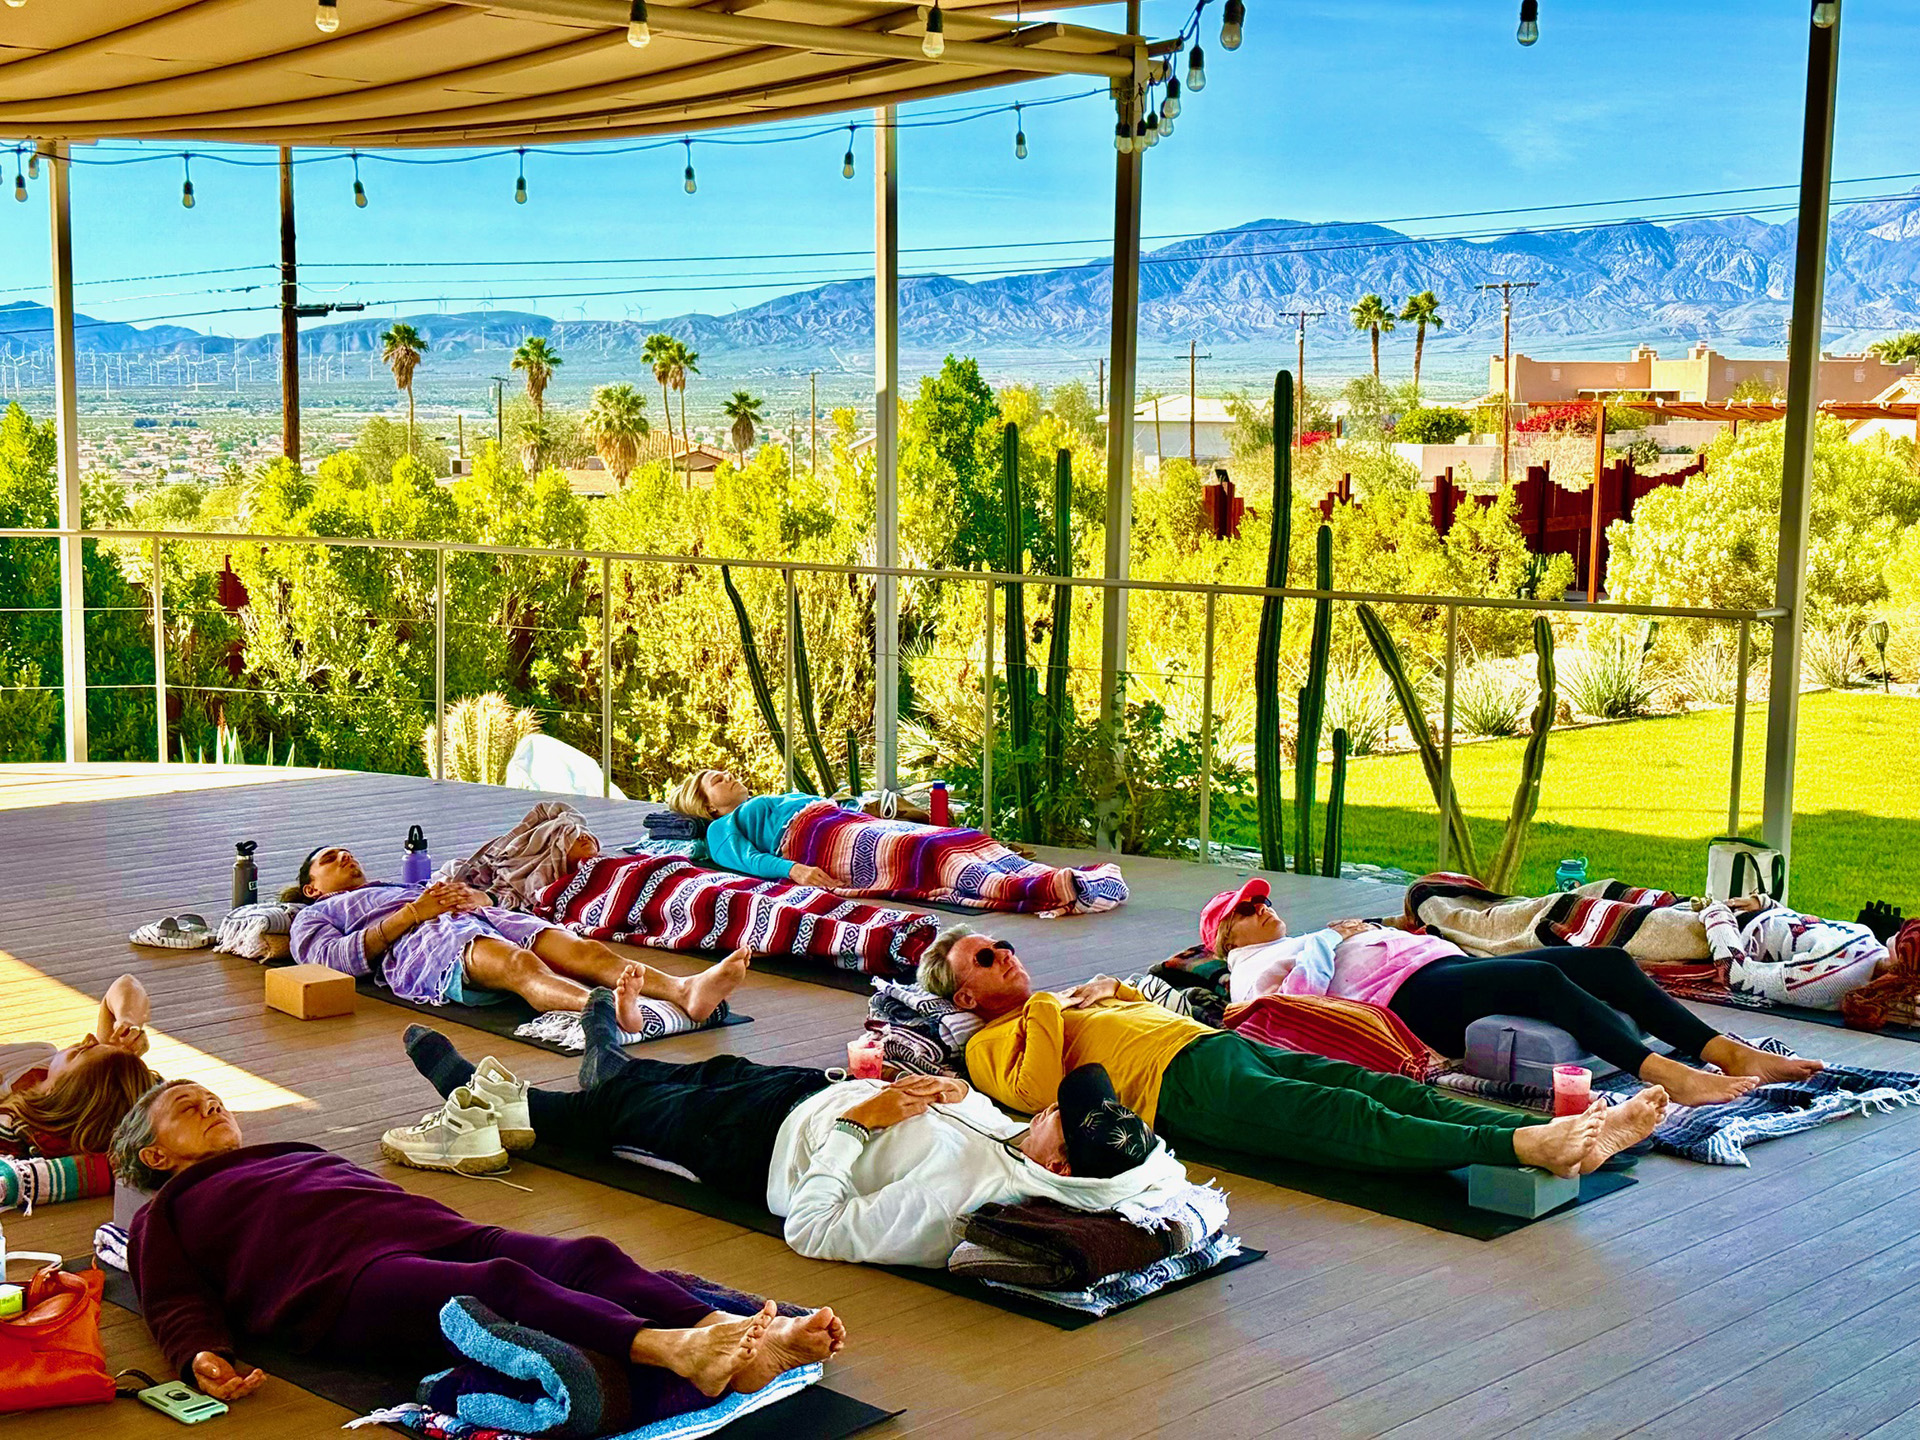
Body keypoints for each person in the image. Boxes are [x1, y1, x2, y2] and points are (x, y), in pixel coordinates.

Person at [110, 1078, 844, 1424]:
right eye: (185, 1106)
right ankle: (671, 1348)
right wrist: (198, 1354)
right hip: (341, 1285)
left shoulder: (290, 1149)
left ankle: (736, 1334)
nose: (210, 1105)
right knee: (495, 1286)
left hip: (431, 1232)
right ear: (156, 1158)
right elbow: (173, 1300)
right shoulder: (167, 1214)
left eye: (212, 1098)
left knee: (584, 1254)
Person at [391, 982, 1190, 1269]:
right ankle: (607, 1061)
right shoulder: (1029, 1149)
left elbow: (814, 1228)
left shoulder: (956, 1202)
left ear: (1070, 1166)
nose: (1049, 1106)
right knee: (698, 1071)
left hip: (761, 1146)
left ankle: (500, 1098)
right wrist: (948, 1094)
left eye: (1062, 1118)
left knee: (627, 1112)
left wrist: (862, 1127)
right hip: (804, 1093)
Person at [919, 924, 1669, 1180]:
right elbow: (1037, 1090)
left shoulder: (1075, 998)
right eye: (986, 961)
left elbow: (1149, 1011)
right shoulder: (989, 1044)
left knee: (1379, 1089)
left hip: (1216, 1049)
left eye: (1004, 948)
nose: (1006, 959)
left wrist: (1117, 991)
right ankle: (1524, 1145)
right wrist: (1052, 1000)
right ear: (964, 999)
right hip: (1181, 1092)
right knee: (1339, 1114)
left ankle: (1584, 1140)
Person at [1201, 878, 1823, 1107]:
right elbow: (1272, 1016)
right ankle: (1669, 1074)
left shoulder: (1300, 936)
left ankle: (1726, 1051)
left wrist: (1355, 934)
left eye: (1264, 898)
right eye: (1250, 906)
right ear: (1227, 935)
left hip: (1441, 969)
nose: (1266, 904)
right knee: (1541, 978)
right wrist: (1332, 945)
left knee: (1605, 961)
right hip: (1410, 998)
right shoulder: (1251, 966)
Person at [285, 845, 746, 1033]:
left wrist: (475, 896)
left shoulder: (392, 884)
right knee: (520, 965)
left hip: (476, 916)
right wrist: (415, 912)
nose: (345, 856)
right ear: (311, 887)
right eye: (331, 858)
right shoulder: (316, 916)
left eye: (347, 852)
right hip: (424, 945)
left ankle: (687, 991)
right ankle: (609, 1010)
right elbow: (338, 960)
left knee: (583, 949)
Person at [667, 769, 1126, 916]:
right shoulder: (721, 828)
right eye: (710, 780)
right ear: (706, 805)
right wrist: (795, 871)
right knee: (922, 855)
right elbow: (745, 860)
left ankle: (1045, 878)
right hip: (816, 841)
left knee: (947, 836)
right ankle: (1044, 889)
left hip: (842, 821)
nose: (722, 775)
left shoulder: (772, 794)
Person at [0, 972, 159, 1157]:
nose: (89, 1038)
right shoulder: (87, 1074)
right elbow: (125, 983)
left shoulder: (10, 1113)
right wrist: (127, 1021)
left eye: (80, 1051)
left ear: (57, 1091)